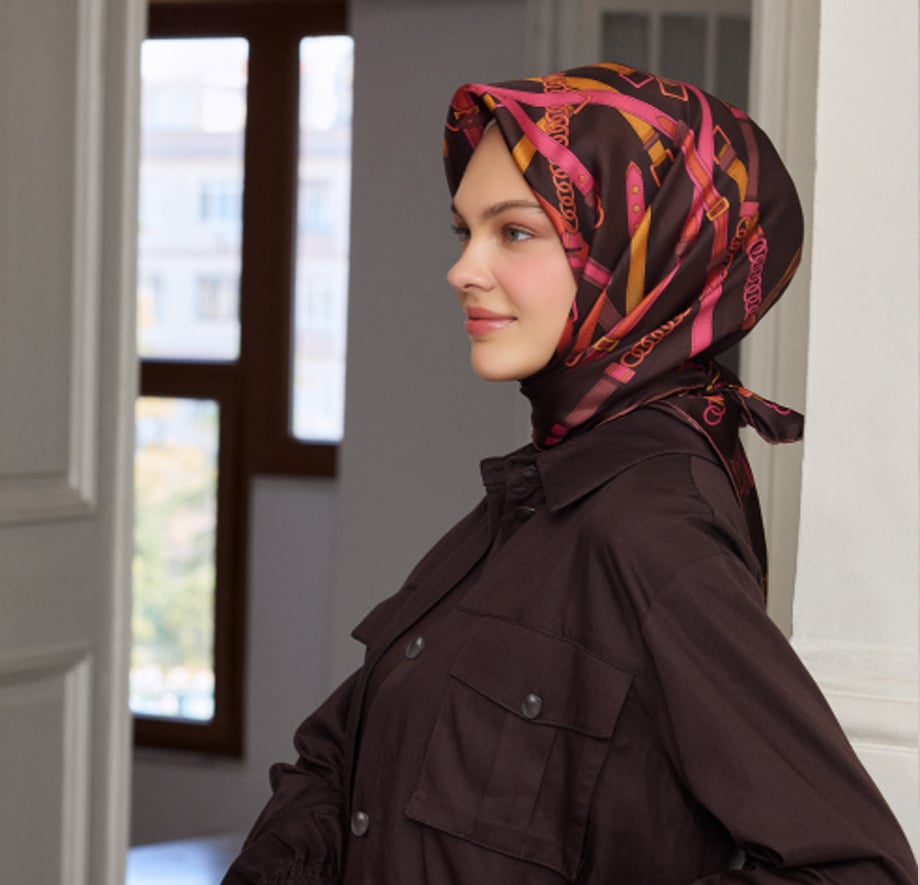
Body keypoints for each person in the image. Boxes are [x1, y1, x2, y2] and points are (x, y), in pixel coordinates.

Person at [223, 63, 917, 884]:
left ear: (643, 253)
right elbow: (339, 763)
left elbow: (855, 868)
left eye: (514, 232)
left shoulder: (651, 529)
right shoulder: (535, 493)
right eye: (465, 231)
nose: (463, 269)